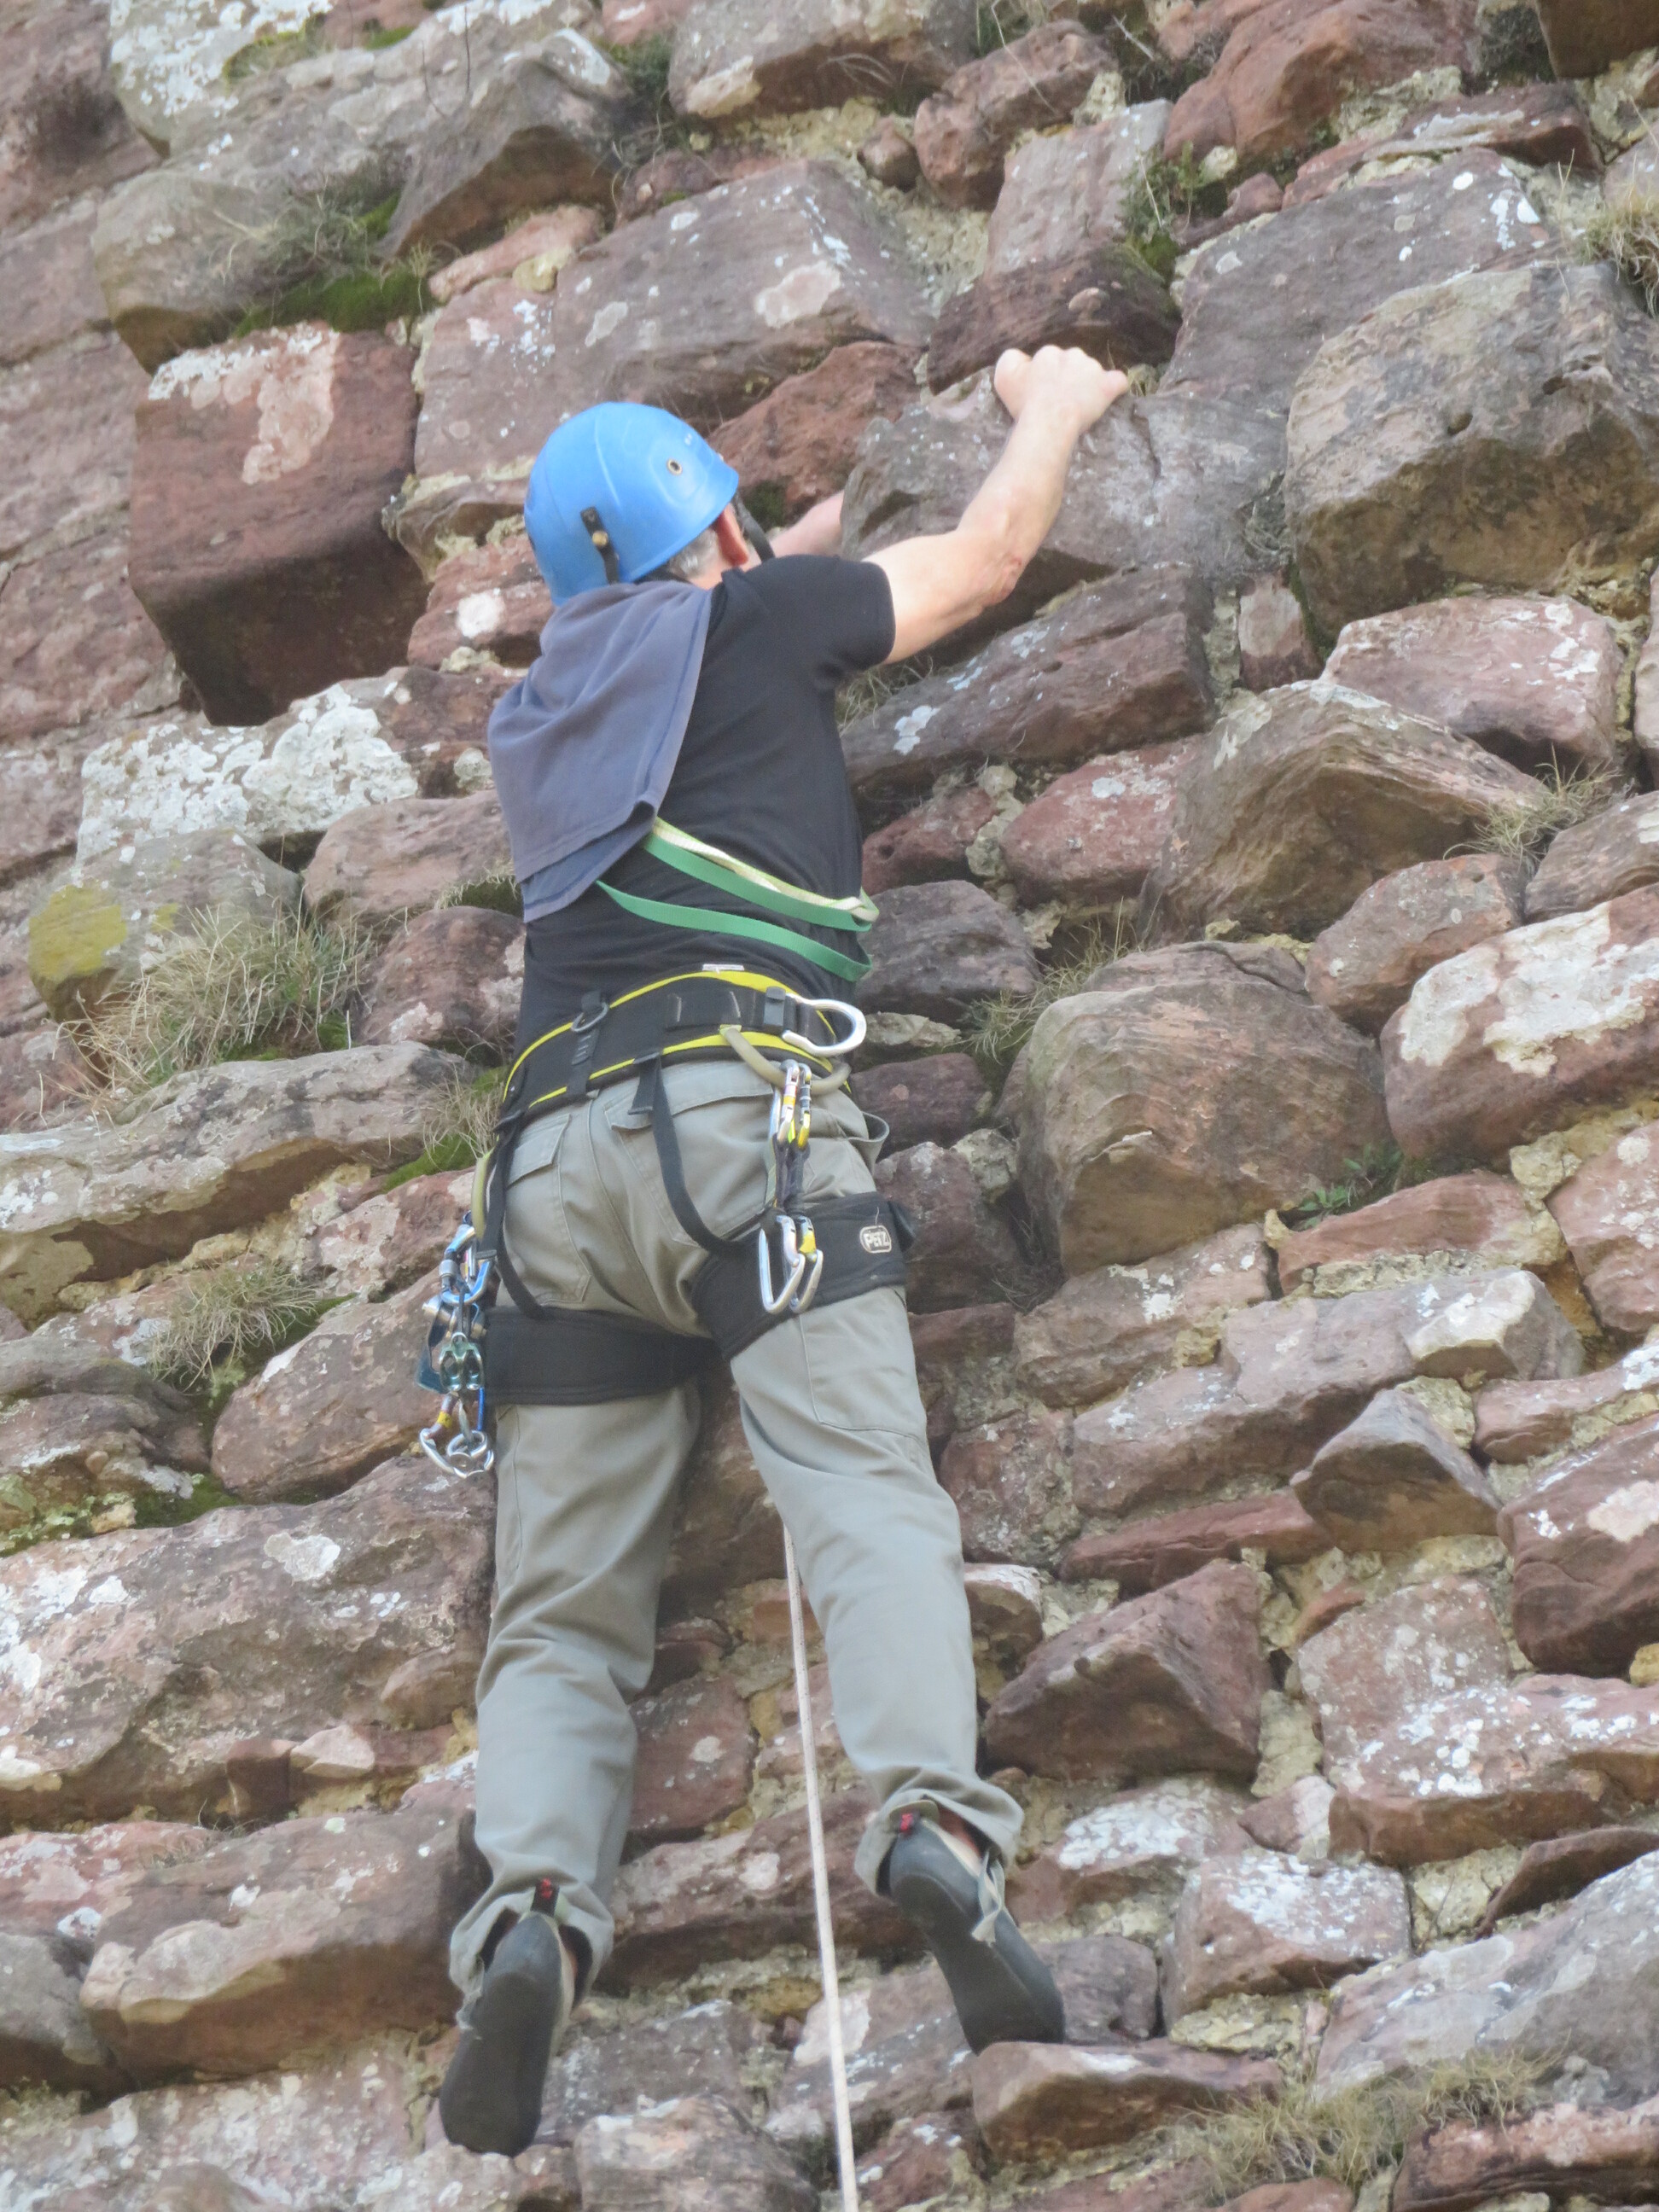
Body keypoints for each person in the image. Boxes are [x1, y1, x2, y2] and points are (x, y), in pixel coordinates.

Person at [439, 344, 1128, 2157]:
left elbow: (682, 599)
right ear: (725, 539)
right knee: (859, 1489)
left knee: (561, 1615)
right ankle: (931, 1825)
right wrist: (1053, 412)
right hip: (740, 1121)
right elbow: (980, 562)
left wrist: (773, 534)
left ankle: (528, 1916)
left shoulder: (539, 713)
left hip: (554, 1177)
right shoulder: (765, 625)